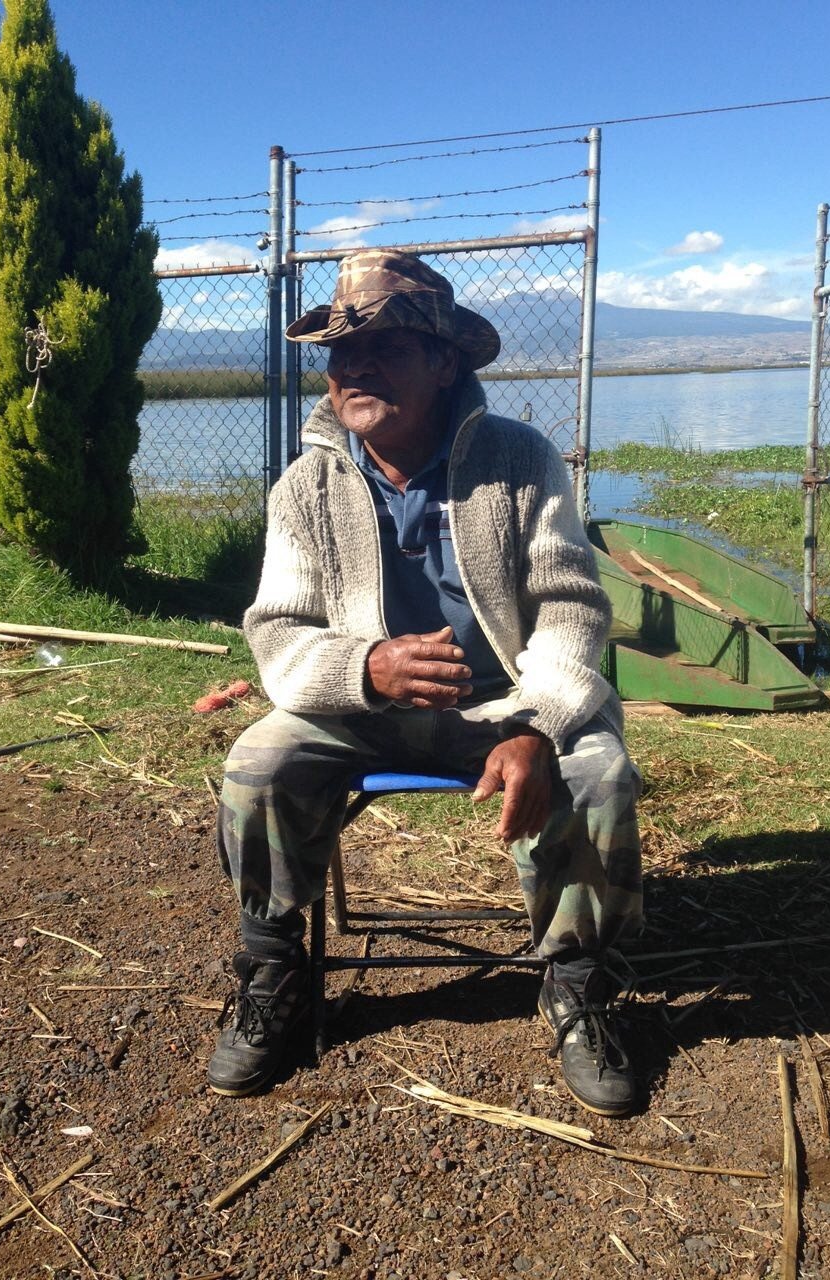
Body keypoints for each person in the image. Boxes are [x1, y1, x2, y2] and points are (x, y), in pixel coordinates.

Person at [208, 249, 644, 1116]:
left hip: (509, 700)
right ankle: (274, 970)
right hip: (359, 707)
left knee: (597, 773)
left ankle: (577, 982)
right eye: (343, 353)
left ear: (445, 364)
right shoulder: (304, 487)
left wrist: (534, 721)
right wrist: (365, 668)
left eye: (388, 347)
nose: (357, 368)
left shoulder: (519, 460)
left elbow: (571, 606)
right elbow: (278, 630)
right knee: (258, 764)